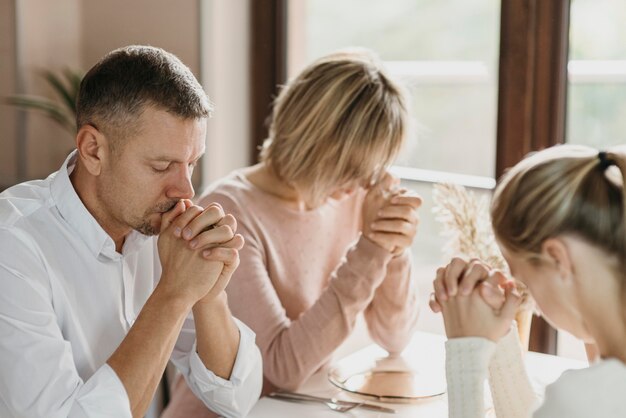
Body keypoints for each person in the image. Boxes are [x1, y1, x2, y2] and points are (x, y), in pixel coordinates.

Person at [0, 45, 262, 418]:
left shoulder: (159, 228)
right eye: (161, 166)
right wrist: (173, 294)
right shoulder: (12, 246)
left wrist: (209, 293)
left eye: (191, 163)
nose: (185, 190)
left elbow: (235, 398)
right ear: (93, 150)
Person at [164, 48, 422, 417]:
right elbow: (279, 369)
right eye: (351, 167)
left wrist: (393, 248)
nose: (362, 183)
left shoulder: (351, 193)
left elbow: (394, 338)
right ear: (311, 141)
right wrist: (371, 249)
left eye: (372, 168)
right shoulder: (229, 211)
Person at [430, 144, 626, 417]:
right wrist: (498, 341)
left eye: (526, 282)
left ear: (558, 259)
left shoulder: (586, 398)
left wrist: (466, 354)